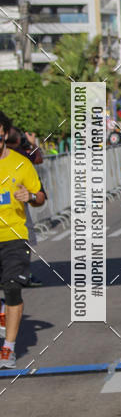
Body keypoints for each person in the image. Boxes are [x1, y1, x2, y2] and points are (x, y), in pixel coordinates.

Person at [0, 111, 46, 368]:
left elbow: (41, 197)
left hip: (14, 235)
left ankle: (8, 348)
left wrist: (29, 196)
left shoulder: (20, 164)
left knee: (13, 286)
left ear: (5, 135)